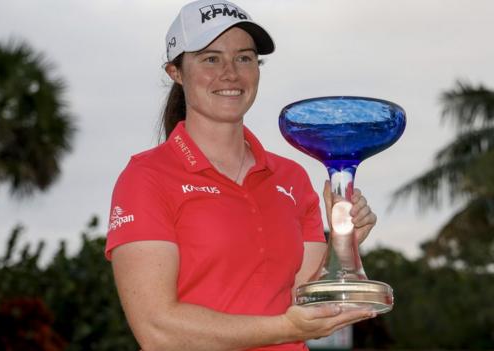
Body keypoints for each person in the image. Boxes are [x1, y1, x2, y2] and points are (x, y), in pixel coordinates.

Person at [105, 1, 378, 350]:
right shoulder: (146, 177)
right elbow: (158, 330)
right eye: (211, 58)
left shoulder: (291, 177)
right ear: (176, 71)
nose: (231, 73)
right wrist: (283, 328)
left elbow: (309, 305)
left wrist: (345, 243)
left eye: (245, 58)